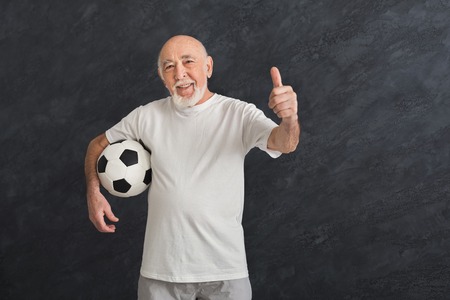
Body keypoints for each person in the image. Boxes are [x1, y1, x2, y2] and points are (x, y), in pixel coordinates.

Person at [85, 35, 300, 300]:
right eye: (169, 66)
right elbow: (97, 144)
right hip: (161, 272)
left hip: (225, 270)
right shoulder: (146, 116)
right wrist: (94, 194)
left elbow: (284, 143)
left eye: (188, 62)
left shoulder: (238, 114)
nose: (180, 73)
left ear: (208, 67)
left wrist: (289, 118)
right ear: (162, 76)